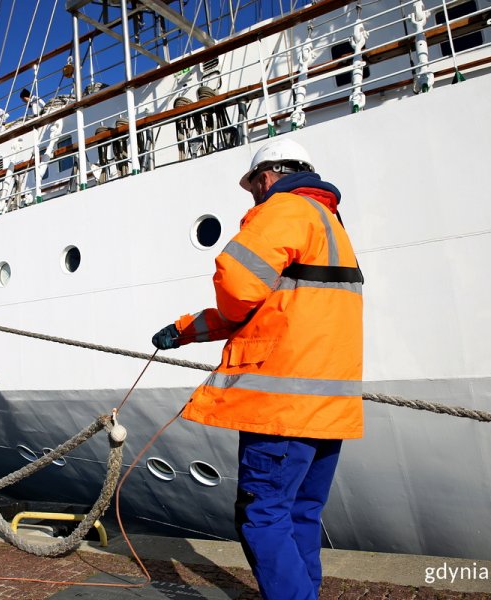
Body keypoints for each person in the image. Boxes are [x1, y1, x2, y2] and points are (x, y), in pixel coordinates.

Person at [151, 138, 363, 600]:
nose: (253, 197)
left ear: (267, 177)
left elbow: (240, 287)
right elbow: (270, 308)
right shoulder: (330, 224)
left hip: (281, 409)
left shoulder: (284, 208)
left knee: (262, 514)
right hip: (328, 407)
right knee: (301, 512)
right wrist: (185, 330)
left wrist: (199, 321)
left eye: (253, 188)